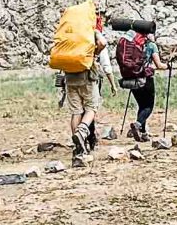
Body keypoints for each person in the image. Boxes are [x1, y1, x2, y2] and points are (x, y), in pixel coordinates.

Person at [62, 12, 108, 165]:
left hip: (69, 78)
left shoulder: (68, 31)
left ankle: (78, 146)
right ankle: (82, 132)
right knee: (91, 108)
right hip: (87, 76)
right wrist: (95, 53)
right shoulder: (90, 30)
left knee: (76, 111)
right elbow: (103, 43)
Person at [119, 26, 160, 140]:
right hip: (146, 79)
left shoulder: (133, 44)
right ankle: (137, 125)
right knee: (148, 106)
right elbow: (159, 65)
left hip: (132, 78)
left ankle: (143, 133)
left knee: (141, 106)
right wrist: (168, 65)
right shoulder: (151, 45)